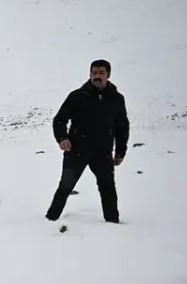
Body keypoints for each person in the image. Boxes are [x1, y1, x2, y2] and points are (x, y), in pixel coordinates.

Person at [45, 59, 130, 223]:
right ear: (90, 74)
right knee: (65, 187)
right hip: (76, 151)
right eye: (94, 72)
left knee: (108, 190)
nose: (97, 76)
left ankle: (113, 225)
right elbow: (59, 120)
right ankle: (50, 220)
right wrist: (62, 138)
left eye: (101, 72)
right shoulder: (77, 96)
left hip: (102, 153)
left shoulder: (117, 99)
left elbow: (122, 128)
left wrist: (120, 152)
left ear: (108, 75)